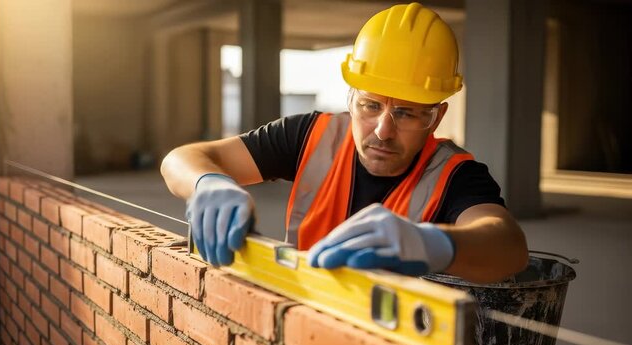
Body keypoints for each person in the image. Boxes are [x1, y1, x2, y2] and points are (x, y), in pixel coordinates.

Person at [161, 2, 528, 284]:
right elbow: (183, 158)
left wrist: (431, 242)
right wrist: (206, 183)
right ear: (351, 98)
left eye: (407, 112)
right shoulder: (309, 136)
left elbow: (509, 247)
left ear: (437, 116)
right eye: (371, 105)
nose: (383, 130)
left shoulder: (455, 174)